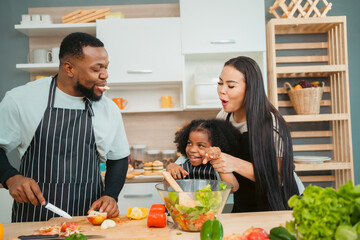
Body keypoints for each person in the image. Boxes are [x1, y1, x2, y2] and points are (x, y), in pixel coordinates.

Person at [0, 32, 130, 222]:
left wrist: (111, 195)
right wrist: (10, 177)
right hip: (34, 217)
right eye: (97, 69)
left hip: (88, 219)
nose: (105, 75)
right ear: (69, 68)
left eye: (106, 67)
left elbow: (118, 158)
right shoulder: (21, 99)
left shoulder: (108, 109)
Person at [203, 56, 303, 212]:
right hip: (245, 204)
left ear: (250, 89)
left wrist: (233, 163)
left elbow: (279, 177)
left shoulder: (271, 123)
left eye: (230, 86)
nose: (221, 90)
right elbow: (229, 177)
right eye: (220, 83)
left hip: (279, 205)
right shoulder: (223, 117)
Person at [166, 119, 241, 192]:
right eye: (189, 143)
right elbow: (167, 186)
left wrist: (218, 160)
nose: (192, 150)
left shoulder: (219, 163)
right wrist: (171, 167)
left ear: (216, 146)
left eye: (201, 145)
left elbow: (233, 188)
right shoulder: (183, 159)